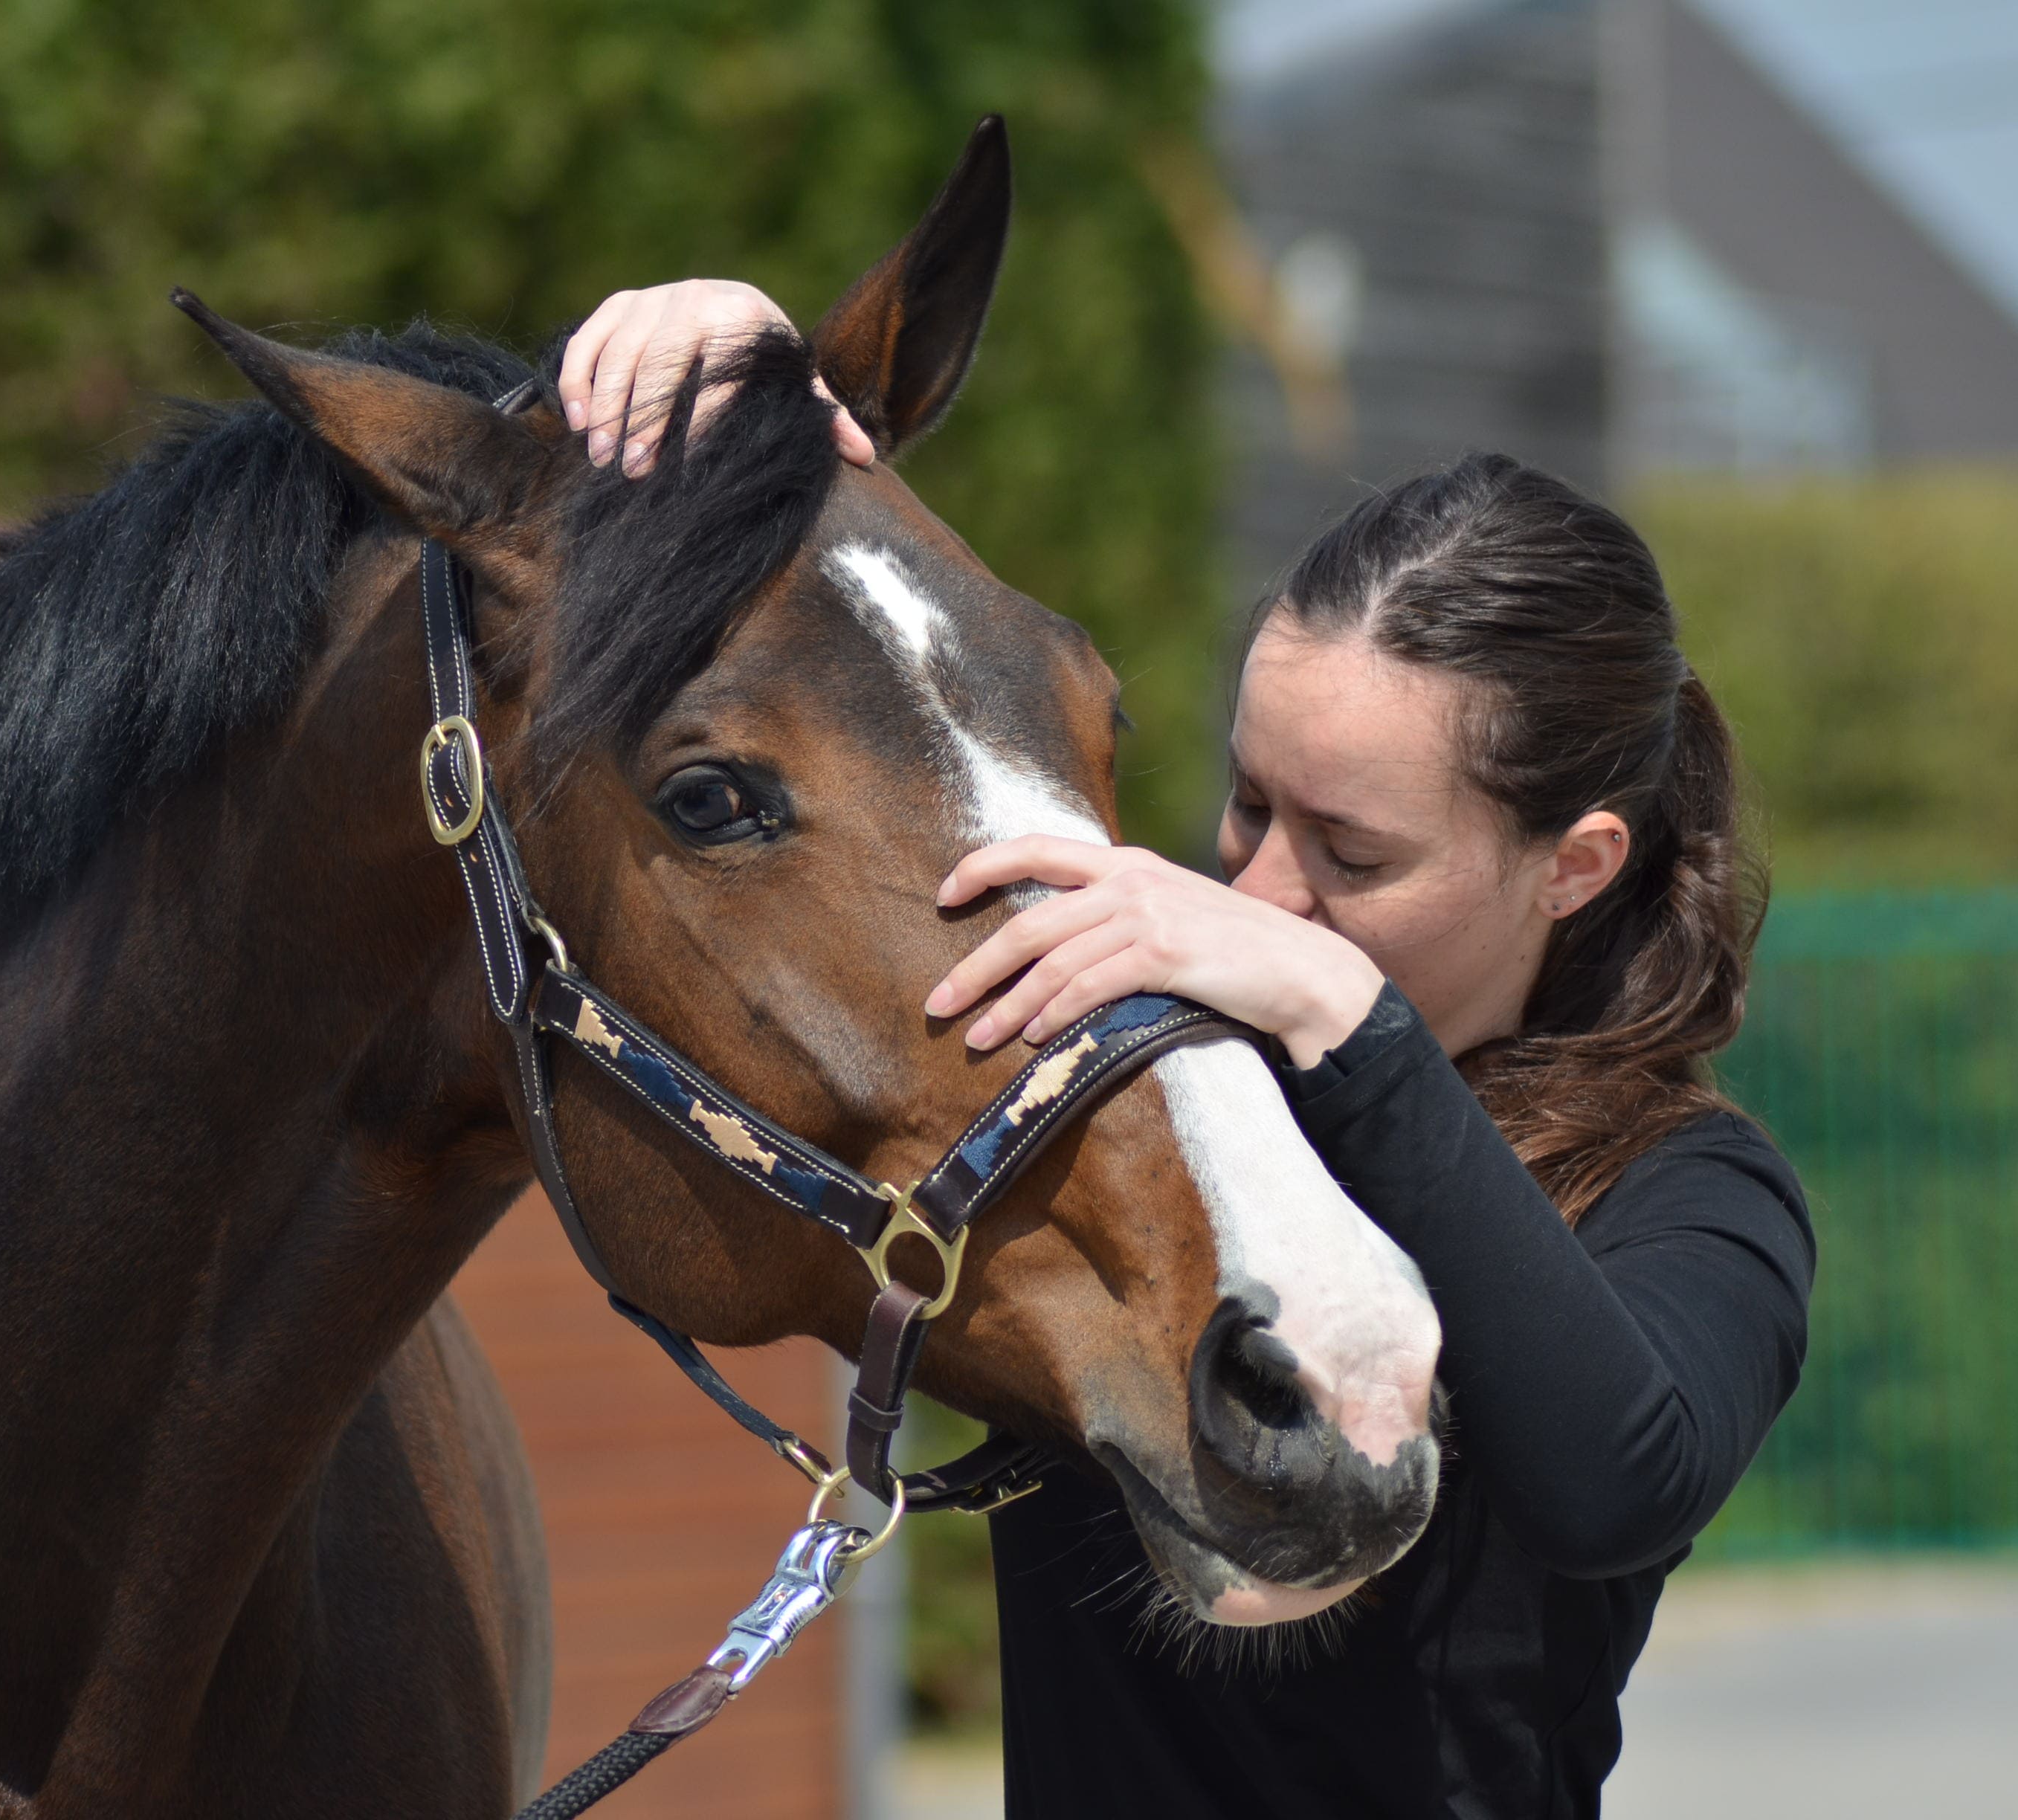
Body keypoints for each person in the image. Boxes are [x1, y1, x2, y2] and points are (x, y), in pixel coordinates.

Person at [561, 283, 1815, 1819]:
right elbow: (871, 813)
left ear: (1575, 865)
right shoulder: (1164, 1068)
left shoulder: (1695, 1193)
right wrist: (769, 407)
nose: (1260, 896)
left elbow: (1614, 1480)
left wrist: (1355, 1030)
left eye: (1352, 857)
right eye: (1245, 807)